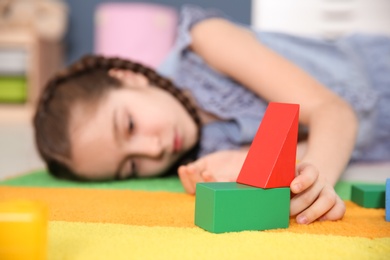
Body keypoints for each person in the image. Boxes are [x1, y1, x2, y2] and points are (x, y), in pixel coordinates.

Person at [33, 5, 390, 225]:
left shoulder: (205, 43)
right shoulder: (201, 162)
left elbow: (335, 113)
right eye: (131, 167)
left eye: (129, 126)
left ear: (129, 77)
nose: (152, 150)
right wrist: (250, 163)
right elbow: (309, 151)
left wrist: (318, 183)